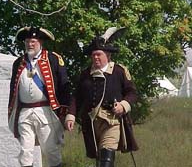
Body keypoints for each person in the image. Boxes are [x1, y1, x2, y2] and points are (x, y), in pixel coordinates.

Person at [65, 27, 138, 167]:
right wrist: (71, 115)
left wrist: (123, 105)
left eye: (99, 54)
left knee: (106, 159)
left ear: (108, 55)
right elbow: (76, 97)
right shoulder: (85, 74)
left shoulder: (119, 71)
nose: (95, 57)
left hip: (112, 122)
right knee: (99, 159)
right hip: (92, 123)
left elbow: (132, 93)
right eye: (93, 55)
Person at [8, 26, 71, 167]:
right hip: (24, 112)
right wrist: (11, 110)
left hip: (45, 112)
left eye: (33, 42)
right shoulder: (18, 63)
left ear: (40, 42)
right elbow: (13, 89)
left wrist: (65, 111)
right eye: (27, 41)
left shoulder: (53, 59)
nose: (30, 44)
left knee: (50, 150)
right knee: (25, 151)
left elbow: (64, 85)